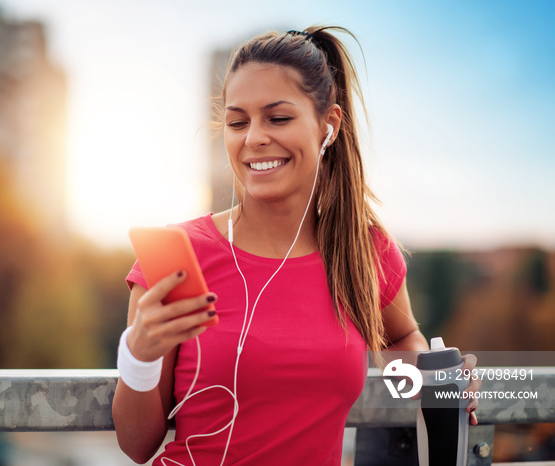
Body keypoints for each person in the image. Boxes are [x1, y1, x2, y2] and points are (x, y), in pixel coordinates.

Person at [112, 26, 481, 465]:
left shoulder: (364, 252)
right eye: (237, 122)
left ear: (329, 125)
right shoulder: (177, 258)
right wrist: (138, 356)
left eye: (278, 118)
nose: (253, 138)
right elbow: (136, 446)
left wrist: (436, 382)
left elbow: (402, 337)